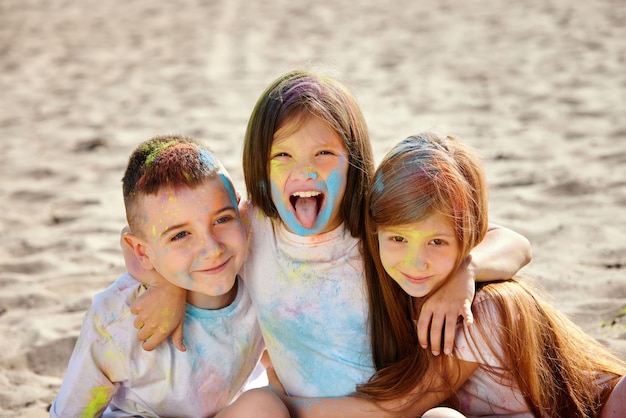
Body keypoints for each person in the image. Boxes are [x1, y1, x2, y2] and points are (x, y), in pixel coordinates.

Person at [125, 69, 533, 399]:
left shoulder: (376, 223)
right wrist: (166, 285)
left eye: (324, 154)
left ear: (353, 160)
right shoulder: (253, 227)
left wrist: (466, 271)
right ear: (261, 168)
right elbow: (197, 249)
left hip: (380, 407)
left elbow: (515, 242)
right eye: (282, 156)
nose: (305, 171)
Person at [276, 132, 626, 417]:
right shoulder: (392, 289)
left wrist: (284, 407)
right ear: (376, 233)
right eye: (398, 238)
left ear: (469, 238)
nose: (416, 262)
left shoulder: (478, 312)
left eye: (437, 242)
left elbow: (400, 408)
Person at [50, 136, 288, 418]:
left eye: (222, 219)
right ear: (141, 252)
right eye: (180, 235)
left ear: (241, 213)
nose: (212, 249)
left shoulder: (260, 274)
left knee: (264, 408)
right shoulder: (118, 319)